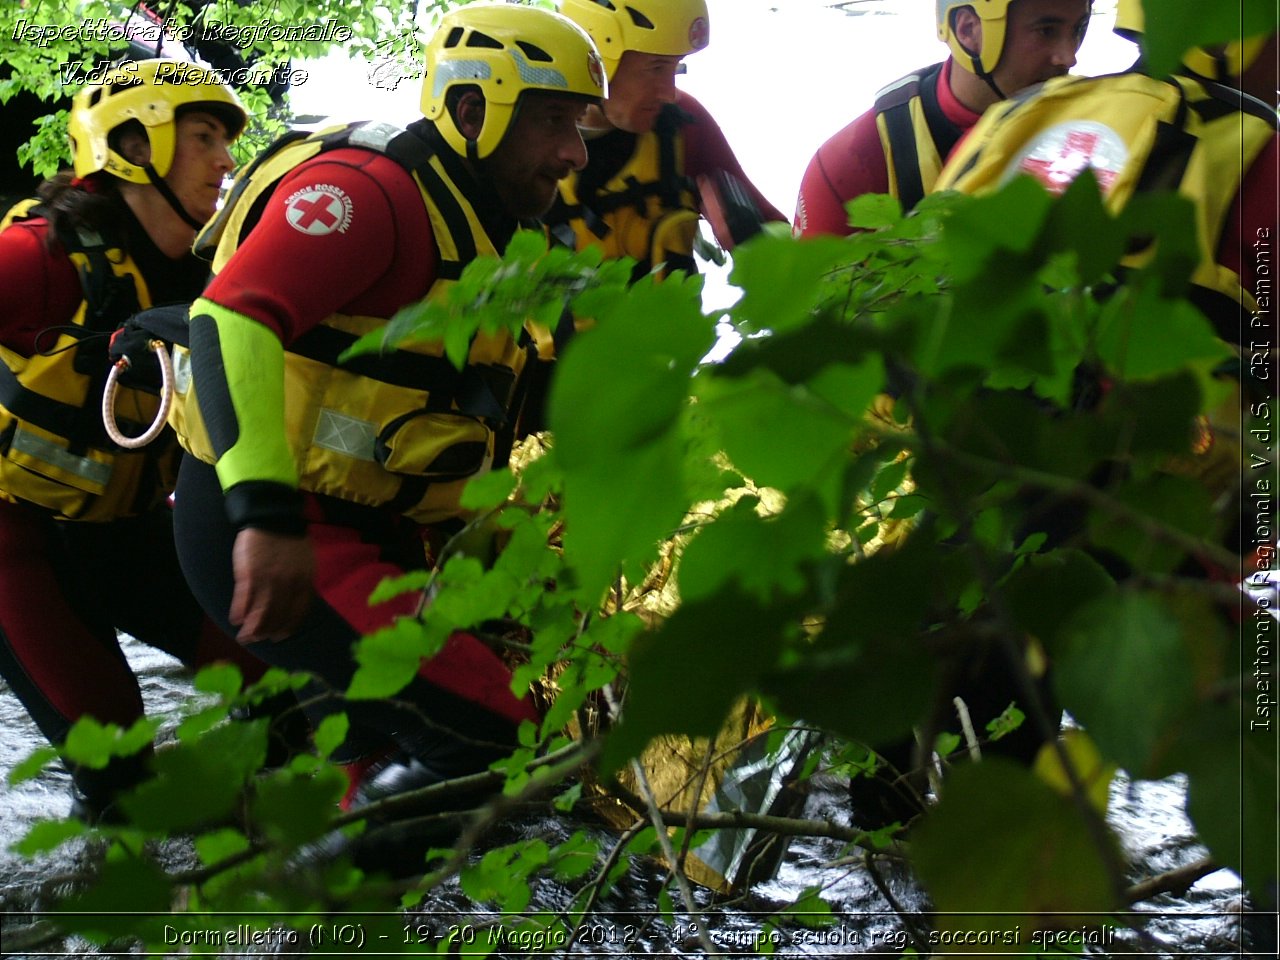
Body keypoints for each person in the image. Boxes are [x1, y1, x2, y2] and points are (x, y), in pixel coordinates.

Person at [167, 3, 606, 866]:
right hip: (279, 524)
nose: (575, 153)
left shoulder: (495, 221)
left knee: (397, 749)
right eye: (554, 121)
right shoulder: (370, 196)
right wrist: (265, 514)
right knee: (497, 743)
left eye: (580, 125)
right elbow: (229, 322)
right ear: (472, 112)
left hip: (381, 528)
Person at [0, 59, 284, 823]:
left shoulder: (209, 272)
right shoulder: (36, 259)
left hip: (124, 534)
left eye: (227, 141)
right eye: (203, 137)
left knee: (286, 691)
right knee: (121, 772)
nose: (228, 160)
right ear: (132, 144)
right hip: (12, 542)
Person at [794, 0, 1093, 236]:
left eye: (1078, 29)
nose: (1069, 57)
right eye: (1046, 30)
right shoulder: (851, 162)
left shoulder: (1099, 129)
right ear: (967, 30)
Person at [548, 0, 785, 281]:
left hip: (675, 323)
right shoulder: (522, 138)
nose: (669, 93)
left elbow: (782, 233)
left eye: (676, 67)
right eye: (657, 68)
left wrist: (755, 241)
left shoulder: (683, 123)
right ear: (595, 57)